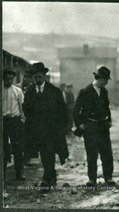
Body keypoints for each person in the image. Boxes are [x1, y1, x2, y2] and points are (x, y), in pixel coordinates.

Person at [23, 62, 69, 190]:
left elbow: (63, 111)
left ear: (44, 76)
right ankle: (52, 176)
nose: (37, 80)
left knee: (48, 152)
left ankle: (46, 179)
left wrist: (62, 128)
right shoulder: (29, 92)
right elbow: (26, 110)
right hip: (36, 131)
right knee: (44, 154)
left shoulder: (54, 91)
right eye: (35, 77)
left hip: (52, 130)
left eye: (40, 77)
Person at [73, 66, 115, 186]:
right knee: (92, 153)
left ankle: (108, 177)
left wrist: (109, 120)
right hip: (90, 126)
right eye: (106, 79)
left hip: (103, 126)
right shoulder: (85, 91)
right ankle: (92, 179)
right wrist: (80, 124)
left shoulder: (104, 91)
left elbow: (107, 107)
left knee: (107, 152)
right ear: (100, 78)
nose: (107, 82)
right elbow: (75, 109)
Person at [3, 67, 26, 180]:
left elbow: (23, 108)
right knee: (3, 147)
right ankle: (2, 172)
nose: (8, 81)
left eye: (11, 79)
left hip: (15, 122)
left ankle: (19, 172)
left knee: (17, 147)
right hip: (3, 122)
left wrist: (22, 119)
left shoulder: (18, 91)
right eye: (6, 79)